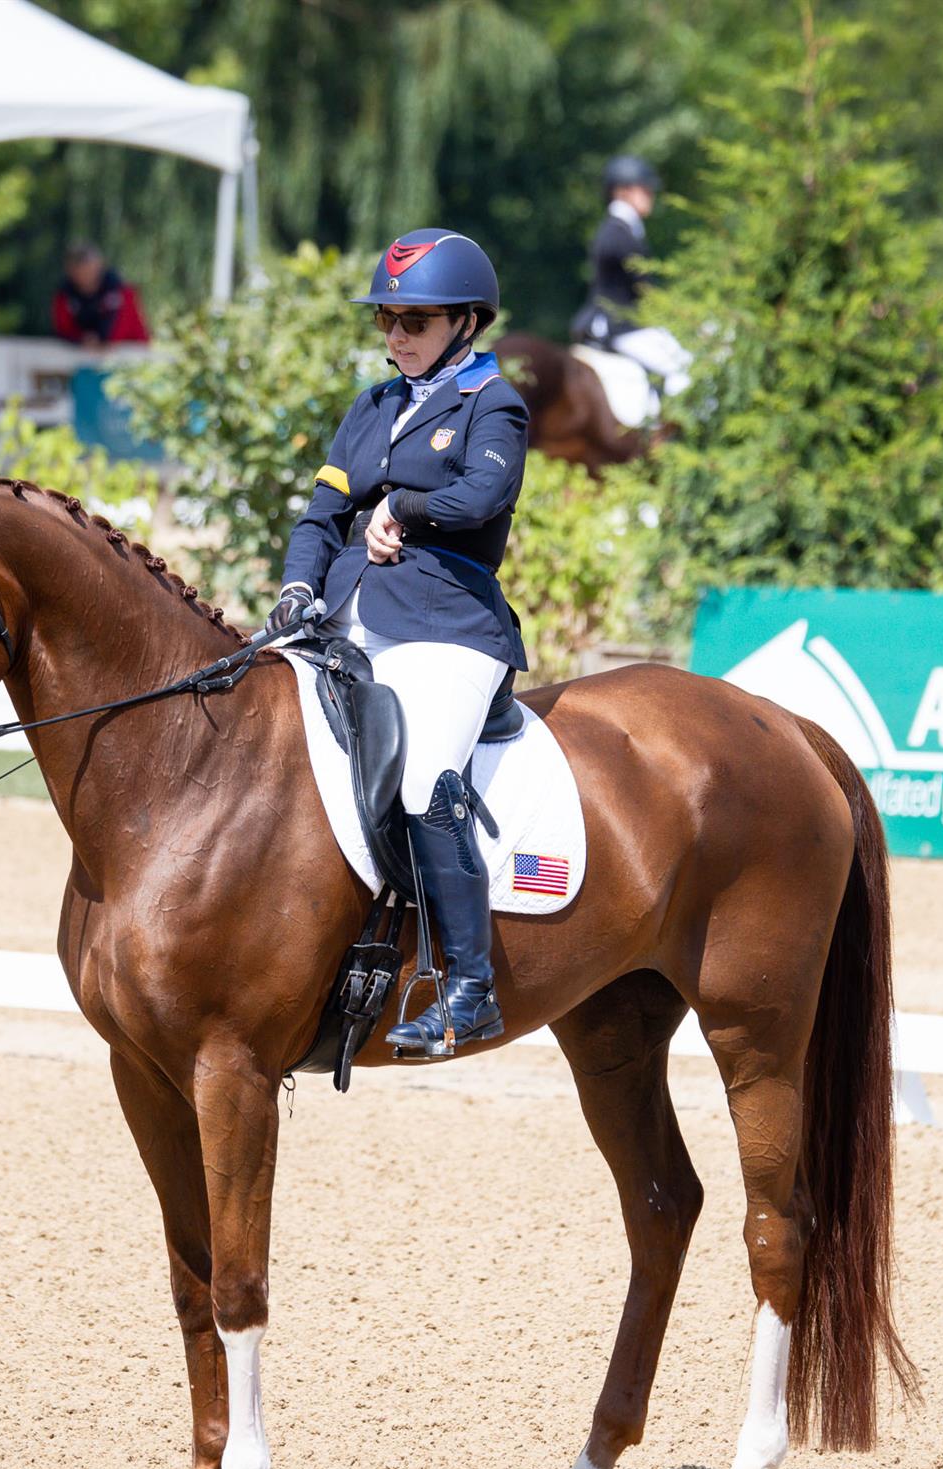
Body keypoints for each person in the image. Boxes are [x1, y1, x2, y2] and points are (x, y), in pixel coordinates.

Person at [267, 228, 530, 1053]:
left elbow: (485, 496)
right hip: (347, 609)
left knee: (422, 778)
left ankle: (469, 987)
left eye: (414, 321)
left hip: (448, 620)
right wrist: (298, 586)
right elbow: (323, 513)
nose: (396, 337)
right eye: (388, 319)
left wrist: (405, 510)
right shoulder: (373, 406)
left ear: (466, 321)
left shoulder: (495, 404)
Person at [569, 155, 692, 397]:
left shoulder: (622, 230)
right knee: (681, 367)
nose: (650, 195)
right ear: (623, 191)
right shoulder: (619, 234)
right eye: (644, 189)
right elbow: (645, 290)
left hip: (626, 324)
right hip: (621, 327)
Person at [51, 242, 152, 347]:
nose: (85, 276)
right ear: (70, 271)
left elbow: (133, 331)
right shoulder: (64, 295)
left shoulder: (122, 292)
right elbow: (63, 329)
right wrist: (81, 340)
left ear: (99, 266)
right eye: (80, 271)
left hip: (125, 354)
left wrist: (102, 340)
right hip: (78, 355)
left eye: (89, 269)